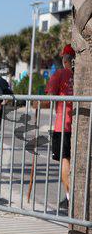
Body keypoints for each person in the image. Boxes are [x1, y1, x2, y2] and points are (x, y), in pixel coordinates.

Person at [46, 46, 75, 210]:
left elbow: (50, 96)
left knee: (65, 160)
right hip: (77, 124)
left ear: (65, 59)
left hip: (63, 124)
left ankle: (70, 197)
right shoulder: (83, 73)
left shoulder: (60, 74)